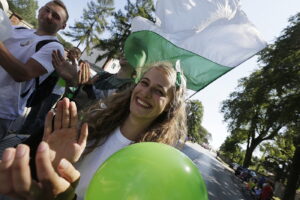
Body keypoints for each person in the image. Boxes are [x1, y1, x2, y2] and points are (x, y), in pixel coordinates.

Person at [0, 61, 187, 199]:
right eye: (144, 83)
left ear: (170, 106)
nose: (145, 93)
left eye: (159, 91)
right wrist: (47, 161)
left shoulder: (152, 163)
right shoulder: (93, 122)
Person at [0, 0, 69, 139]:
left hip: (3, 109)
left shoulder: (54, 47)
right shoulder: (19, 30)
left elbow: (23, 74)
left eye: (56, 16)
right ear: (40, 10)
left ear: (63, 26)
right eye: (47, 10)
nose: (48, 16)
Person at [19, 47, 82, 135]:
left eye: (72, 52)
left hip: (55, 92)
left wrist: (67, 97)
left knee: (42, 115)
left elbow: (73, 88)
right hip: (45, 89)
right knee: (34, 110)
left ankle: (31, 135)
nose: (69, 53)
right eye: (69, 51)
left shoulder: (76, 68)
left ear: (76, 56)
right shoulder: (63, 62)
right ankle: (23, 131)